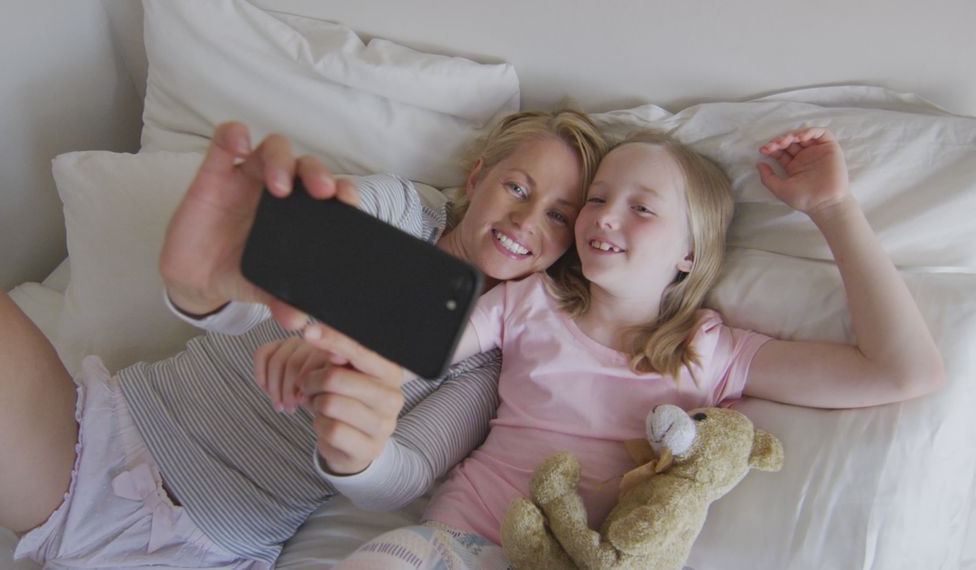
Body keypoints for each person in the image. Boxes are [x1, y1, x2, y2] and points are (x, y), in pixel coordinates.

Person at [0, 108, 607, 568]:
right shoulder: (402, 209)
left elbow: (407, 476)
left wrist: (352, 448)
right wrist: (208, 290)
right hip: (94, 443)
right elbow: (280, 271)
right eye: (518, 188)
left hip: (205, 547)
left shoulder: (490, 364)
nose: (526, 221)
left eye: (556, 216)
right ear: (478, 178)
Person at [256, 127, 945, 569]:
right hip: (463, 544)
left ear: (689, 252)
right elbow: (408, 344)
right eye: (597, 199)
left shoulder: (712, 352)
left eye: (640, 208)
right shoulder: (532, 303)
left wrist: (833, 209)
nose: (603, 217)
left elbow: (903, 371)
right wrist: (330, 357)